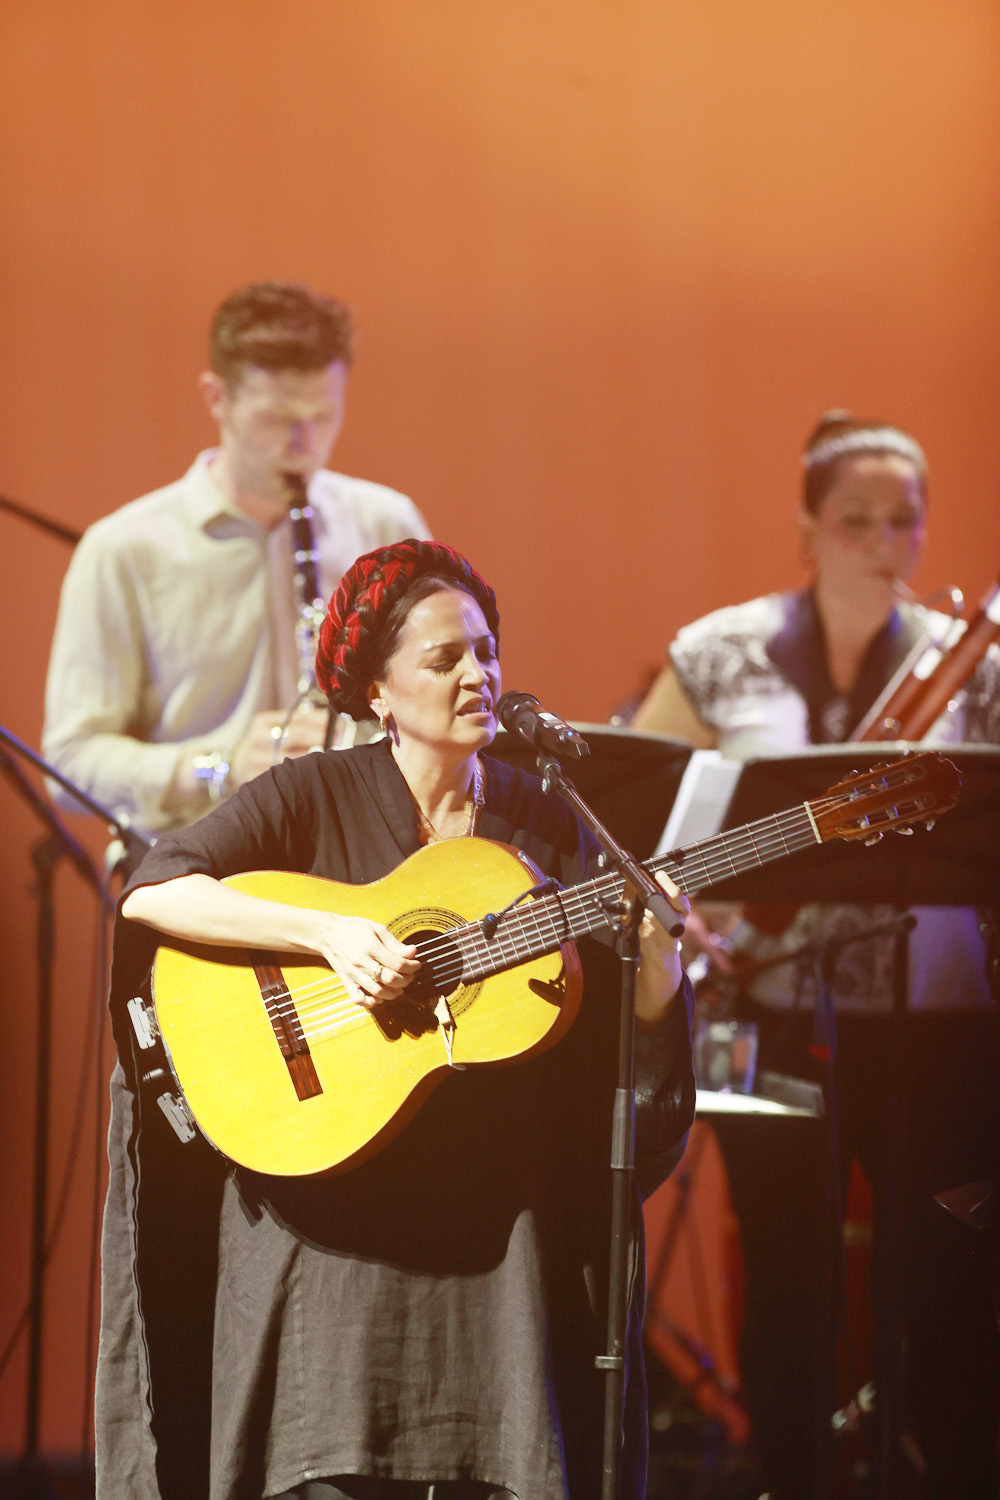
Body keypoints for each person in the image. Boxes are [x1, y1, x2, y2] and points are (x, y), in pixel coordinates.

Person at [97, 538, 696, 1500]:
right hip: (330, 1228)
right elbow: (154, 891)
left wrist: (659, 972)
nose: (478, 675)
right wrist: (327, 932)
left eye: (486, 651)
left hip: (496, 1244)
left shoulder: (548, 820)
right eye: (444, 657)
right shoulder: (311, 793)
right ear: (376, 690)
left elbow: (604, 1044)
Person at [633, 413, 1000, 1499]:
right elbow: (643, 812)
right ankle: (791, 1476)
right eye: (855, 520)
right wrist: (688, 917)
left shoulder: (974, 667)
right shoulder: (719, 651)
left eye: (903, 519)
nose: (884, 541)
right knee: (787, 1273)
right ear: (807, 528)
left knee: (948, 1278)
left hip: (941, 1019)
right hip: (778, 1007)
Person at [43, 281, 430, 837]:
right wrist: (218, 767)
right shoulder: (123, 550)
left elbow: (440, 703)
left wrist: (364, 740)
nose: (303, 445)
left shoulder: (386, 527)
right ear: (216, 398)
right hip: (202, 867)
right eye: (276, 419)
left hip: (365, 858)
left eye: (322, 416)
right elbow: (70, 762)